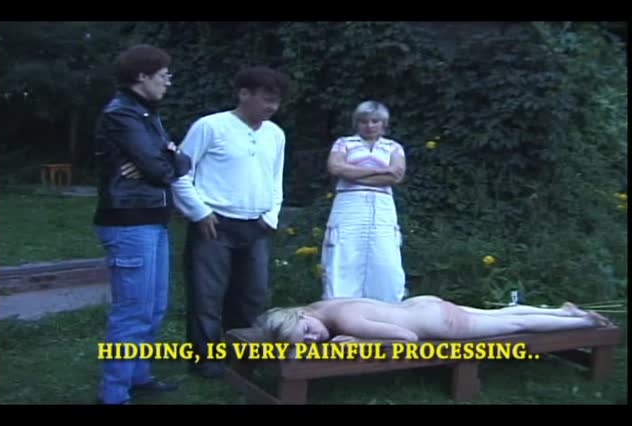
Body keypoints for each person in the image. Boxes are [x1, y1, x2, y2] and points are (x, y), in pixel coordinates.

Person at [171, 66, 291, 378]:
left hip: (256, 225)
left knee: (252, 295)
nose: (271, 107)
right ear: (243, 94)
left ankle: (244, 357)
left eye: (276, 101)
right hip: (214, 224)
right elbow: (180, 172)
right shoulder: (210, 127)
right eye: (266, 99)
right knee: (207, 295)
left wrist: (271, 217)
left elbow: (275, 180)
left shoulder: (275, 134)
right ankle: (206, 360)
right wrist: (198, 211)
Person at [93, 44, 192, 404]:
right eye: (163, 75)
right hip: (128, 222)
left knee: (154, 307)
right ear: (141, 76)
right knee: (132, 310)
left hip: (152, 219)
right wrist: (166, 159)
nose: (169, 81)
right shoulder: (122, 114)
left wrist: (168, 159)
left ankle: (138, 376)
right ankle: (114, 394)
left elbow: (177, 162)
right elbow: (159, 168)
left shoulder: (146, 114)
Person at [256, 296, 613, 343]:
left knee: (515, 326)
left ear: (301, 315)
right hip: (423, 305)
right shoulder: (323, 306)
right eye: (307, 342)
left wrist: (357, 340)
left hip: (437, 323)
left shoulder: (347, 323)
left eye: (307, 332)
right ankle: (562, 312)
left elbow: (407, 339)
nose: (315, 339)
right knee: (501, 314)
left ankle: (584, 323)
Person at [322, 100, 406, 303]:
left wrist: (353, 173)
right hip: (349, 204)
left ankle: (385, 309)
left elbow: (396, 175)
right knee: (344, 254)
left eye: (375, 121)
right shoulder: (344, 143)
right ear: (356, 123)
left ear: (383, 123)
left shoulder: (393, 147)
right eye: (364, 121)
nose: (369, 126)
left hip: (381, 206)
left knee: (385, 258)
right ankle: (340, 308)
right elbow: (336, 168)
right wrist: (379, 171)